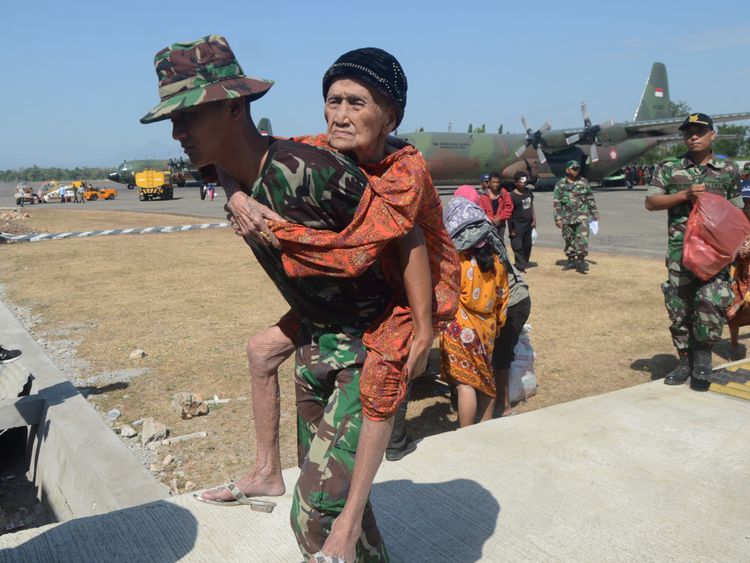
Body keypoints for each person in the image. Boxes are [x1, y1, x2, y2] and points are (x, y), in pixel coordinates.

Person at [142, 37, 458, 562]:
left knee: (318, 517)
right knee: (263, 353)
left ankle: (335, 524)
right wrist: (236, 194)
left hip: (377, 328)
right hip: (322, 329)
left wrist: (423, 327)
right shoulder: (285, 157)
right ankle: (268, 474)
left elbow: (407, 236)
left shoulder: (349, 172)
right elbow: (238, 161)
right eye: (333, 101)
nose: (340, 114)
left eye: (356, 103)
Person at [645, 112, 742, 391]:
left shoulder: (728, 170)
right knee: (679, 308)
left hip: (716, 254)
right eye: (689, 132)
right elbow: (651, 202)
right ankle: (684, 361)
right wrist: (685, 195)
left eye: (700, 131)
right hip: (680, 253)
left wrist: (742, 245)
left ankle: (702, 359)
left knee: (710, 304)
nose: (694, 136)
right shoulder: (669, 168)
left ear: (713, 134)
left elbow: (737, 213)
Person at [442, 187, 509, 427]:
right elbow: (503, 296)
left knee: (465, 384)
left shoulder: (457, 261)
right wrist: (499, 322)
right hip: (488, 328)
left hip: (461, 327)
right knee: (485, 376)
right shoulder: (497, 261)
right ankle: (487, 426)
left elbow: (444, 295)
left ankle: (466, 432)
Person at [492, 261, 531, 417]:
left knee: (500, 355)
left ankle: (503, 407)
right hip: (511, 300)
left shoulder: (479, 252)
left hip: (514, 303)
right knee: (497, 353)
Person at [553, 160, 598, 273]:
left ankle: (581, 261)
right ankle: (571, 260)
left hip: (582, 215)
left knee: (582, 238)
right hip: (566, 217)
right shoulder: (560, 184)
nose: (576, 171)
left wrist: (594, 211)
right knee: (569, 239)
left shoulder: (583, 182)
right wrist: (557, 218)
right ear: (567, 170)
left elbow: (589, 198)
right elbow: (557, 202)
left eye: (578, 168)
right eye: (574, 169)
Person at [508, 171, 536, 272]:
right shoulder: (512, 196)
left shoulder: (528, 192)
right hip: (517, 226)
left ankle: (523, 262)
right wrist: (511, 229)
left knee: (527, 245)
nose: (523, 184)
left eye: (524, 182)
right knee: (517, 246)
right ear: (516, 183)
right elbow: (509, 214)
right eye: (520, 182)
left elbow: (531, 206)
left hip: (528, 224)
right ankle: (520, 266)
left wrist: (534, 219)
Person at [479, 172, 513, 240]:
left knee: (500, 243)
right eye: (494, 182)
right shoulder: (483, 196)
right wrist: (492, 220)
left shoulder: (504, 193)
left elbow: (509, 207)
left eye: (497, 182)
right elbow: (481, 211)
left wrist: (499, 218)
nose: (496, 184)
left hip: (501, 224)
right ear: (489, 183)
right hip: (488, 224)